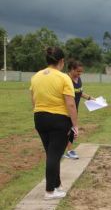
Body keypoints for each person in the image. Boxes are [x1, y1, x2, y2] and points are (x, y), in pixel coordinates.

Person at [30, 47, 78, 200]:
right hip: (58, 120)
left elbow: (33, 99)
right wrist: (75, 125)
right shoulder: (64, 78)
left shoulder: (36, 76)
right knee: (54, 156)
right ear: (61, 61)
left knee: (52, 154)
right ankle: (49, 191)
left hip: (39, 117)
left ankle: (57, 186)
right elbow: (70, 104)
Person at [64, 60, 95, 160]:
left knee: (72, 129)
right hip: (64, 110)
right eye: (78, 71)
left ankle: (69, 150)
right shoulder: (66, 80)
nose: (79, 74)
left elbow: (80, 93)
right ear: (71, 69)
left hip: (74, 109)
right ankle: (67, 151)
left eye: (81, 72)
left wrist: (91, 98)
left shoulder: (79, 79)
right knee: (67, 130)